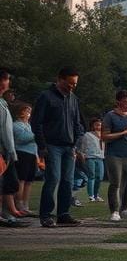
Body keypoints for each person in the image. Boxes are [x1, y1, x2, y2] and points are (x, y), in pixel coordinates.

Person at [31, 66, 84, 228]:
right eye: (69, 83)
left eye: (75, 84)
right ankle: (46, 215)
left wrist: (76, 143)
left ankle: (63, 214)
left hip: (69, 146)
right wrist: (42, 145)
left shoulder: (73, 98)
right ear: (60, 79)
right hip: (52, 145)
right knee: (53, 178)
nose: (72, 86)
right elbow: (36, 122)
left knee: (67, 181)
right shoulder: (46, 97)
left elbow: (77, 122)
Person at [102, 90, 127, 222]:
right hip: (114, 154)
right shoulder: (110, 116)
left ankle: (125, 208)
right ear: (118, 102)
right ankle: (114, 211)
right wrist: (124, 132)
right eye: (125, 102)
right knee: (115, 183)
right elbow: (104, 137)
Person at [0, 70, 30, 227]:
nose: (7, 84)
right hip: (3, 149)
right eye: (6, 80)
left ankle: (7, 213)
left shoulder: (3, 103)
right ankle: (5, 214)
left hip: (6, 150)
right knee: (5, 182)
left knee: (9, 182)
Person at [12, 101, 39, 217]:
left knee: (29, 180)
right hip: (22, 154)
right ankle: (19, 204)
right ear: (20, 112)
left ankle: (26, 205)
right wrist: (37, 134)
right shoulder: (16, 125)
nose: (29, 113)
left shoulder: (29, 126)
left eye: (29, 110)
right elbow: (22, 138)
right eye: (26, 110)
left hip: (32, 154)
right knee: (21, 179)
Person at [78, 117, 105, 202]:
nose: (98, 126)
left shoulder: (103, 135)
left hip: (100, 158)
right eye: (96, 124)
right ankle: (91, 195)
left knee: (100, 177)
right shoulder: (87, 135)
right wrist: (82, 156)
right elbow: (82, 147)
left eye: (100, 124)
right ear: (92, 126)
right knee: (91, 176)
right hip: (90, 157)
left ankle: (96, 195)